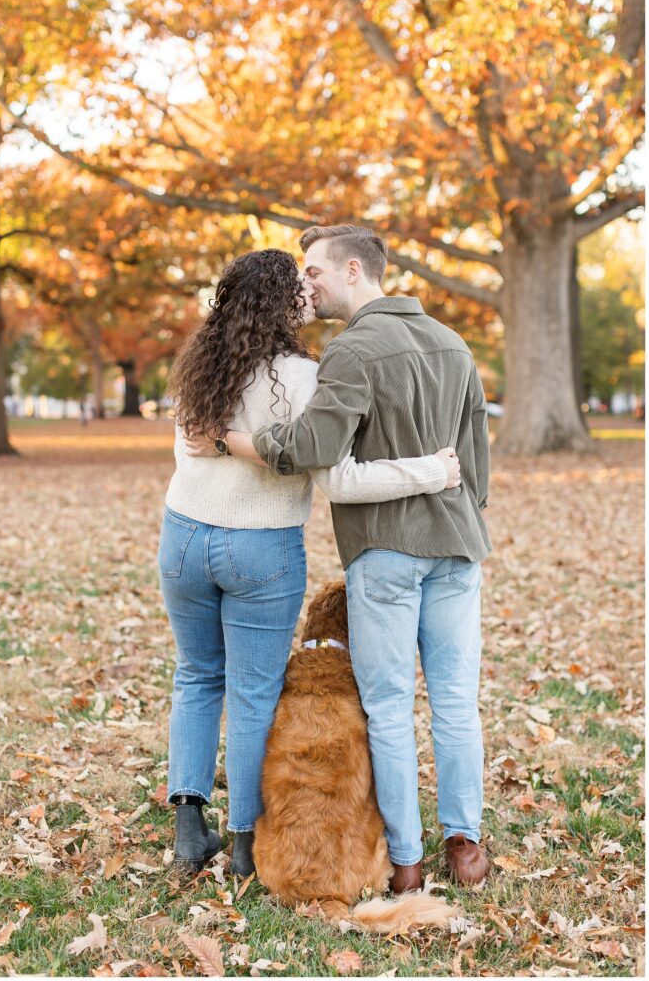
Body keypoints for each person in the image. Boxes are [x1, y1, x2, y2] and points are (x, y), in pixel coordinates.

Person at [202, 225, 492, 891]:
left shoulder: (352, 351)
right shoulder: (452, 344)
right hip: (456, 546)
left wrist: (239, 440)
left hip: (386, 548)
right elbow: (475, 463)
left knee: (388, 707)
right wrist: (458, 507)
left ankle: (408, 862)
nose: (305, 284)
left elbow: (314, 445)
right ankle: (466, 847)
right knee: (454, 702)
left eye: (313, 271)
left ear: (354, 269)